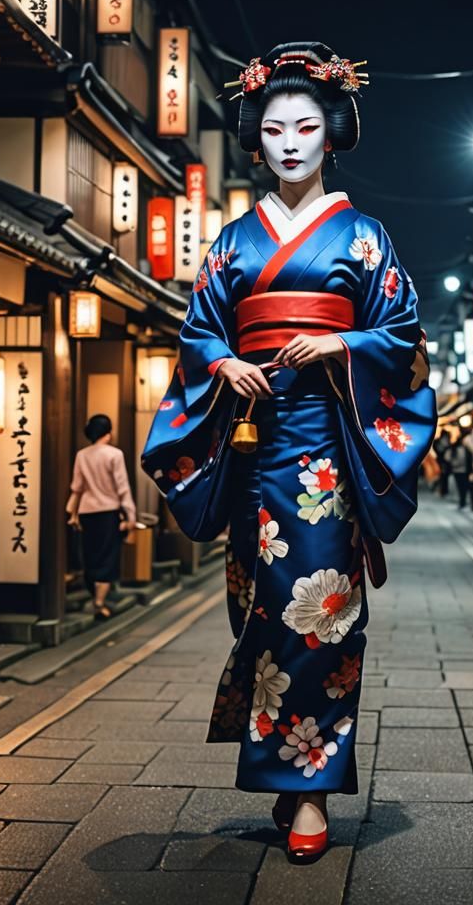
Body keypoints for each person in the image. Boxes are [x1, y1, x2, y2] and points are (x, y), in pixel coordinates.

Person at [141, 42, 436, 865]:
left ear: (334, 131)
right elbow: (199, 327)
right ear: (256, 139)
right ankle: (286, 772)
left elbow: (402, 336)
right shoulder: (233, 242)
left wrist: (339, 347)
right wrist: (221, 360)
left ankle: (308, 791)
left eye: (308, 125)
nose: (292, 142)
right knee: (264, 614)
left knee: (324, 613)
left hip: (328, 459)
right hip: (251, 448)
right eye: (274, 129)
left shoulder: (366, 236)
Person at [66, 414, 137, 619]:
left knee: (91, 555)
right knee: (108, 557)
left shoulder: (82, 455)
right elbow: (122, 488)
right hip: (108, 512)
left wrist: (71, 512)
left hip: (87, 512)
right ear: (109, 432)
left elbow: (76, 488)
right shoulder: (114, 455)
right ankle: (99, 601)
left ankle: (94, 595)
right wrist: (130, 515)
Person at [446, 432, 471, 509]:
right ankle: (462, 501)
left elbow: (447, 457)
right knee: (463, 487)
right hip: (463, 470)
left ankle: (462, 501)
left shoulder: (454, 448)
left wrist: (453, 463)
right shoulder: (463, 449)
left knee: (460, 487)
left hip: (456, 470)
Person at [433, 429, 452, 497]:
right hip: (443, 461)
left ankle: (442, 490)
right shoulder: (446, 442)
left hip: (441, 461)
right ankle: (443, 490)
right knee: (443, 476)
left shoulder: (438, 442)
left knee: (442, 476)